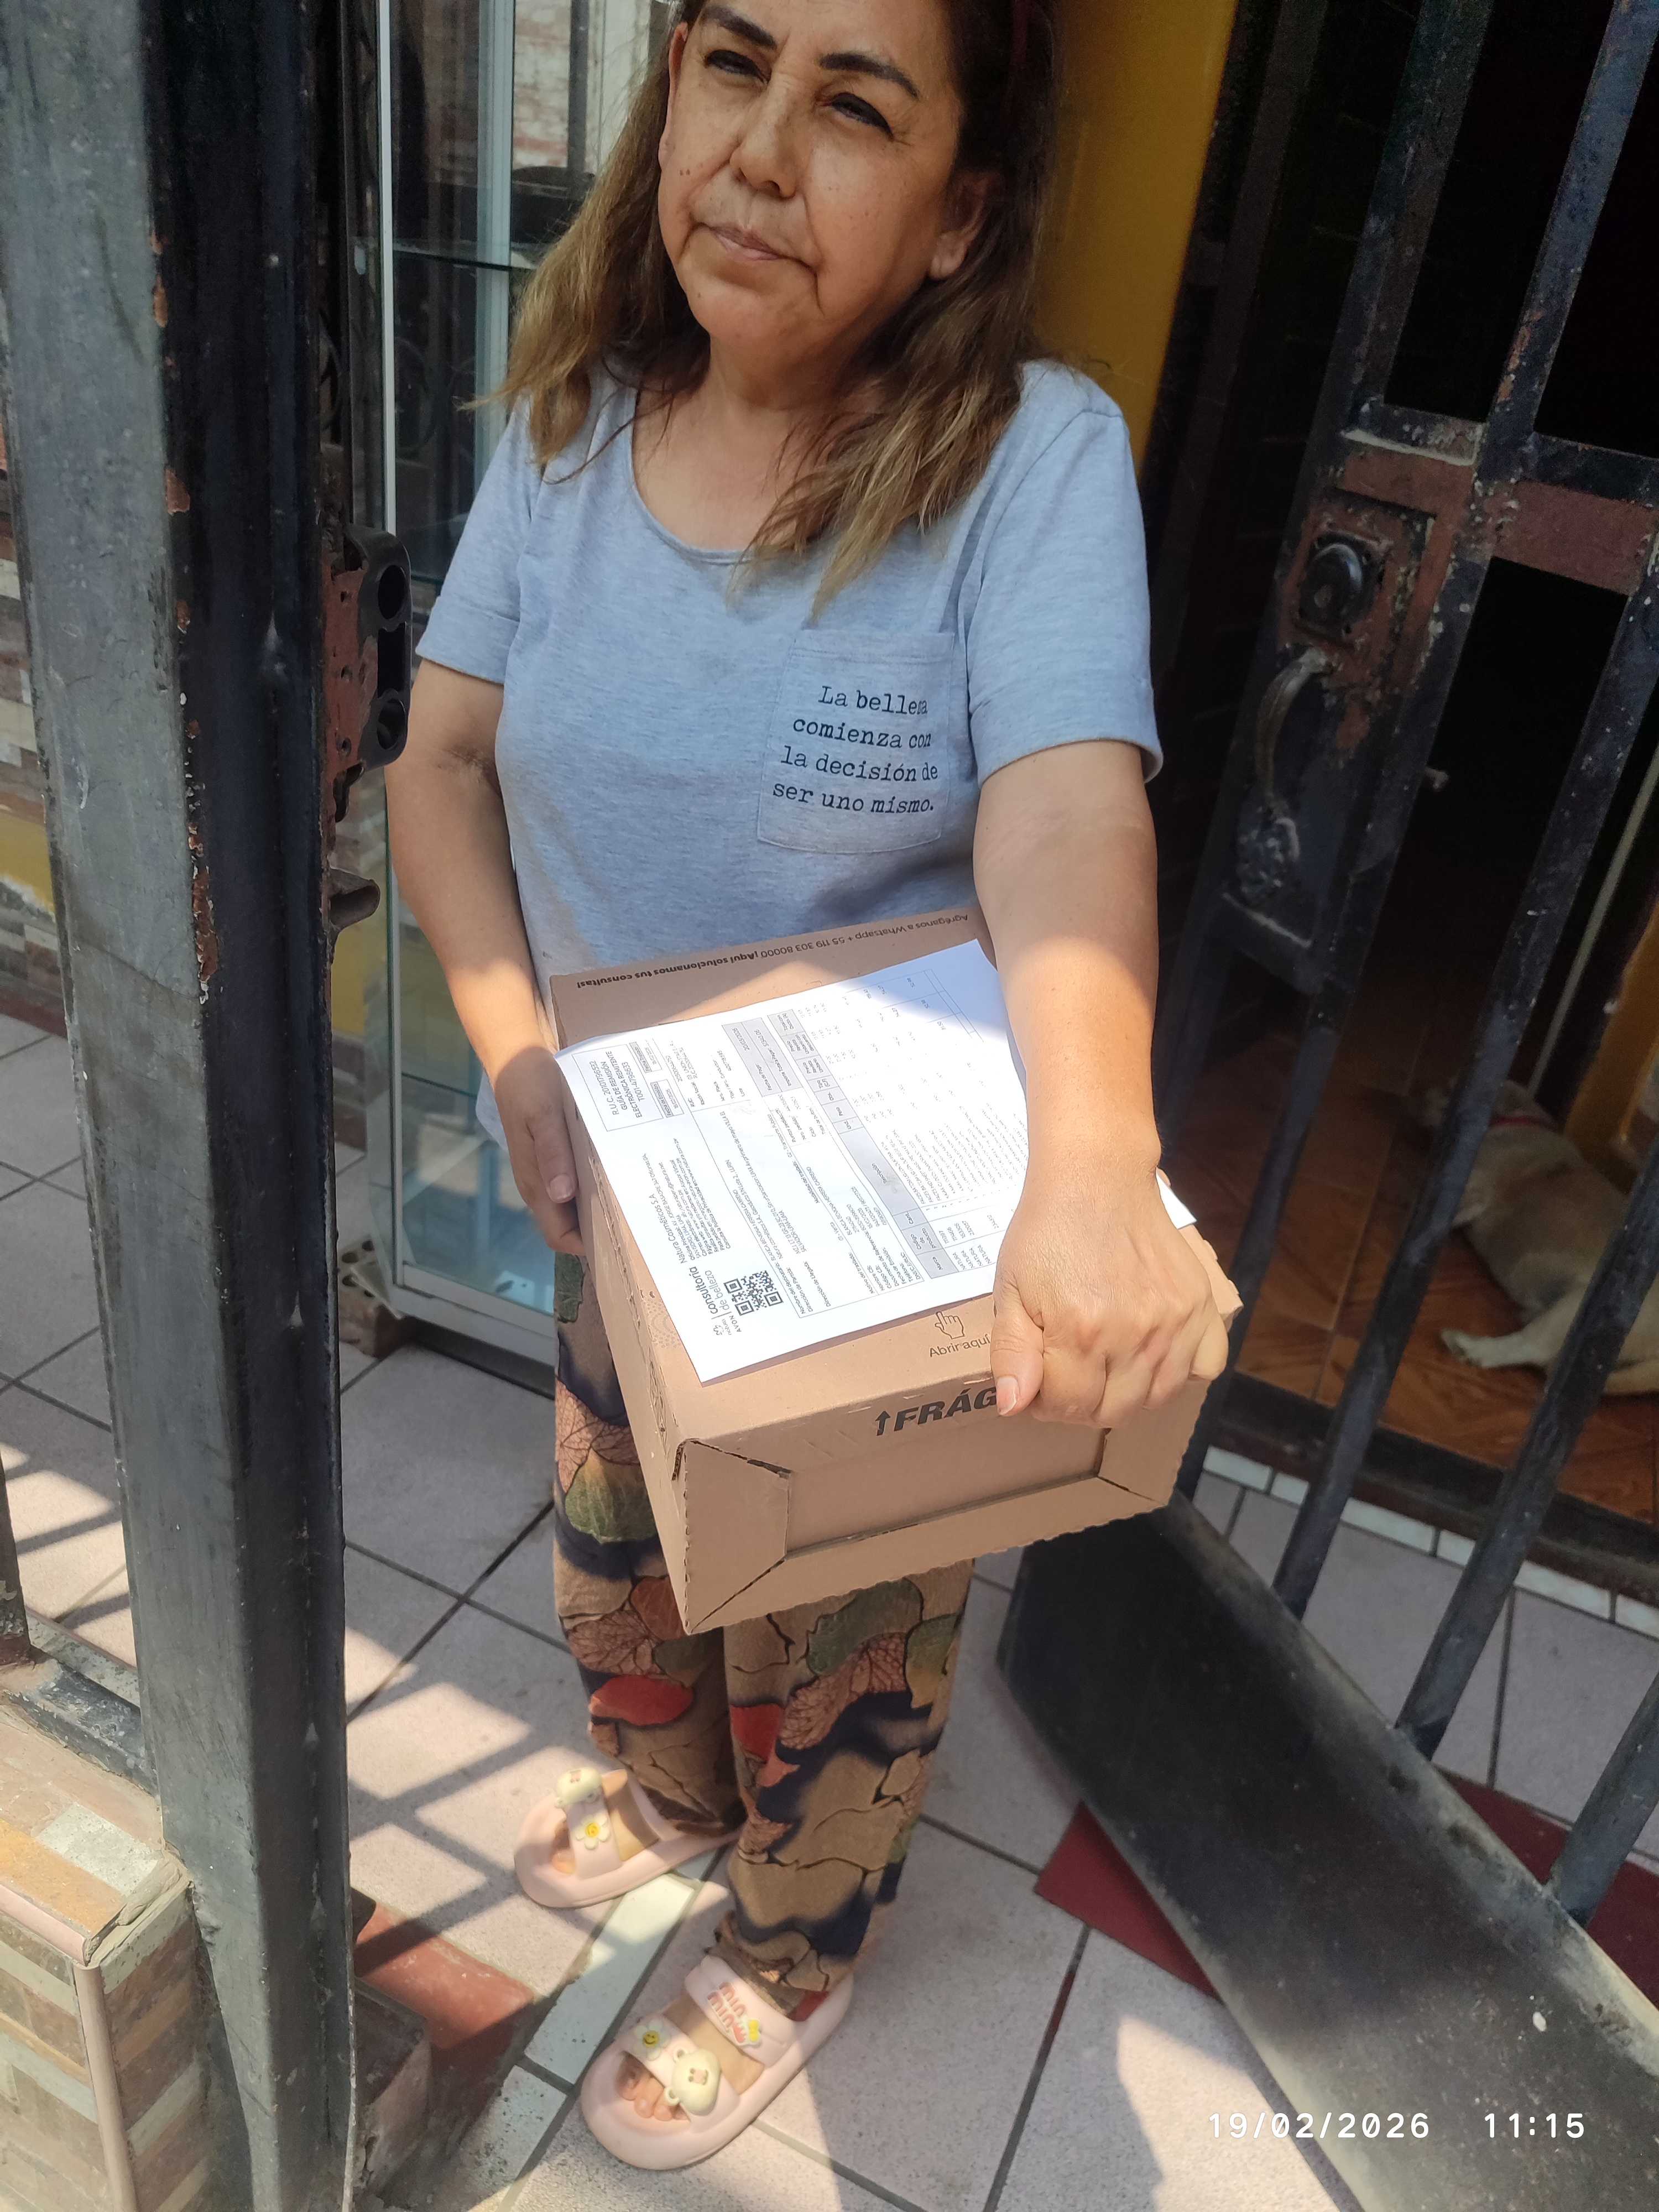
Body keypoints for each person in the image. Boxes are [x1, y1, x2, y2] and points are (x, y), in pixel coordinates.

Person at [388, 0, 1229, 2171]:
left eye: (855, 106)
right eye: (730, 67)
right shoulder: (569, 431)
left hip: (874, 1252)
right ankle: (670, 1798)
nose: (761, 150)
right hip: (625, 1194)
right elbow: (442, 764)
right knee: (620, 1552)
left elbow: (1067, 808)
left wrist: (1096, 1159)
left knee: (841, 1652)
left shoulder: (1027, 463)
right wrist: (519, 1056)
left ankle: (794, 1936)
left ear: (957, 215)